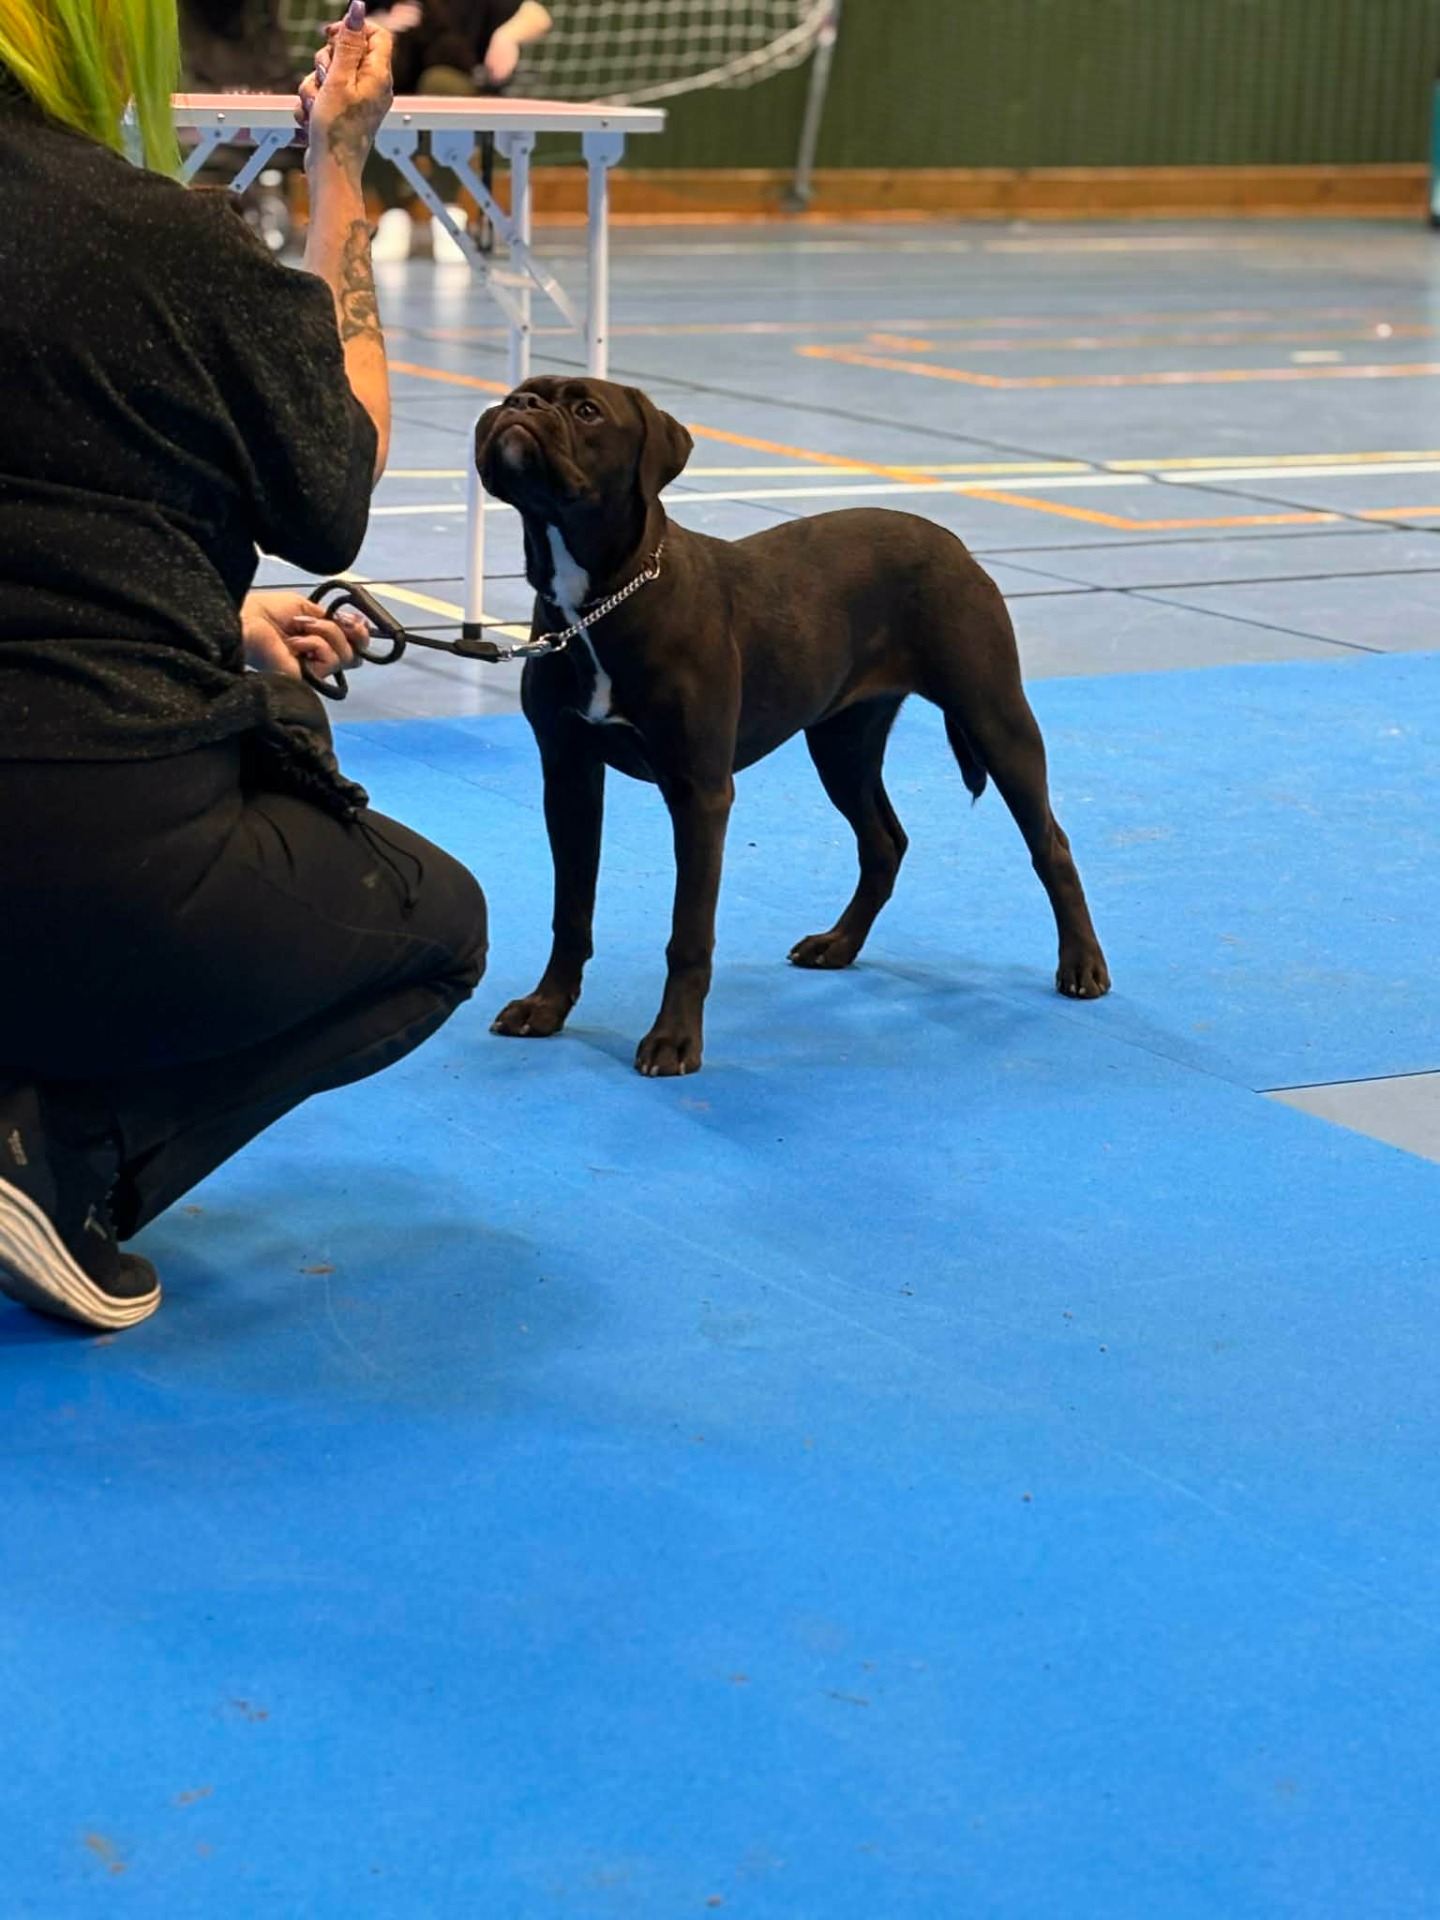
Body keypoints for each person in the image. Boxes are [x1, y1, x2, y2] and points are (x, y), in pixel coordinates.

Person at [0, 0, 489, 1332]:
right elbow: (336, 478)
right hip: (79, 836)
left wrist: (205, 616)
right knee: (432, 927)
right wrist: (340, 167)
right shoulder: (158, 239)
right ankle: (60, 1156)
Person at [364, 0, 552, 261]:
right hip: (394, 90)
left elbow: (537, 14)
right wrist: (380, 26)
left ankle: (448, 212)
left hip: (456, 88)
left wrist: (506, 36)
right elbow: (342, 26)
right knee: (373, 87)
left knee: (441, 83)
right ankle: (394, 215)